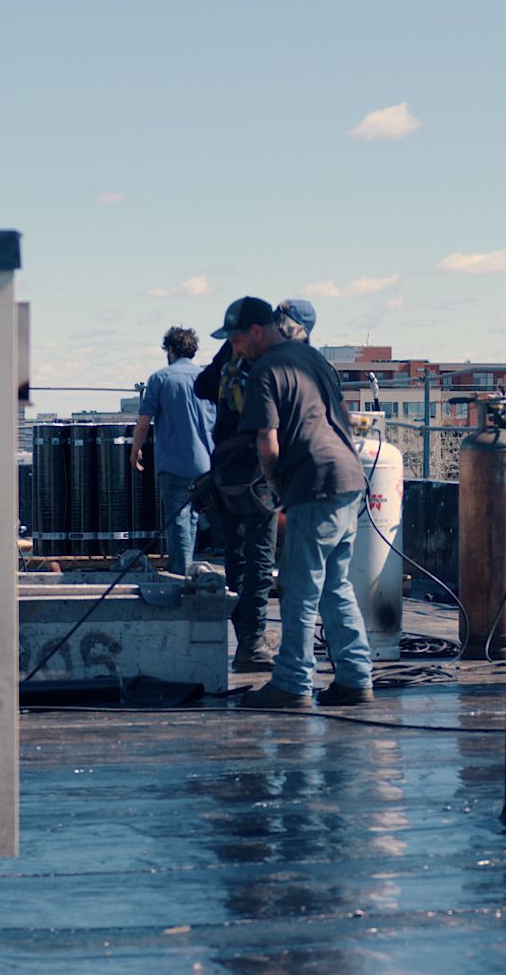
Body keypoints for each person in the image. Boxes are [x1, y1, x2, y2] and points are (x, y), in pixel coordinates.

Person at [217, 295, 373, 708]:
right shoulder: (312, 358)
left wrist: (278, 489)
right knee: (336, 587)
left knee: (300, 589)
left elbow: (267, 443)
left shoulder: (265, 370)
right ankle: (356, 679)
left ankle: (292, 683)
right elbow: (342, 413)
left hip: (314, 481)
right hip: (348, 475)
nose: (233, 348)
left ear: (255, 331)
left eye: (235, 339)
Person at [195, 317, 279, 671]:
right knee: (260, 558)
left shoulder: (227, 360)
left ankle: (247, 639)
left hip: (224, 468)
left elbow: (201, 387)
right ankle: (253, 641)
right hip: (257, 470)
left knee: (237, 556)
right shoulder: (268, 363)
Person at [130, 326, 215, 575]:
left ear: (170, 349)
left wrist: (135, 450)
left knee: (178, 520)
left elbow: (144, 422)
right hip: (206, 463)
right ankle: (189, 569)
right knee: (193, 518)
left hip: (175, 461)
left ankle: (180, 574)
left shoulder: (161, 378)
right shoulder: (207, 378)